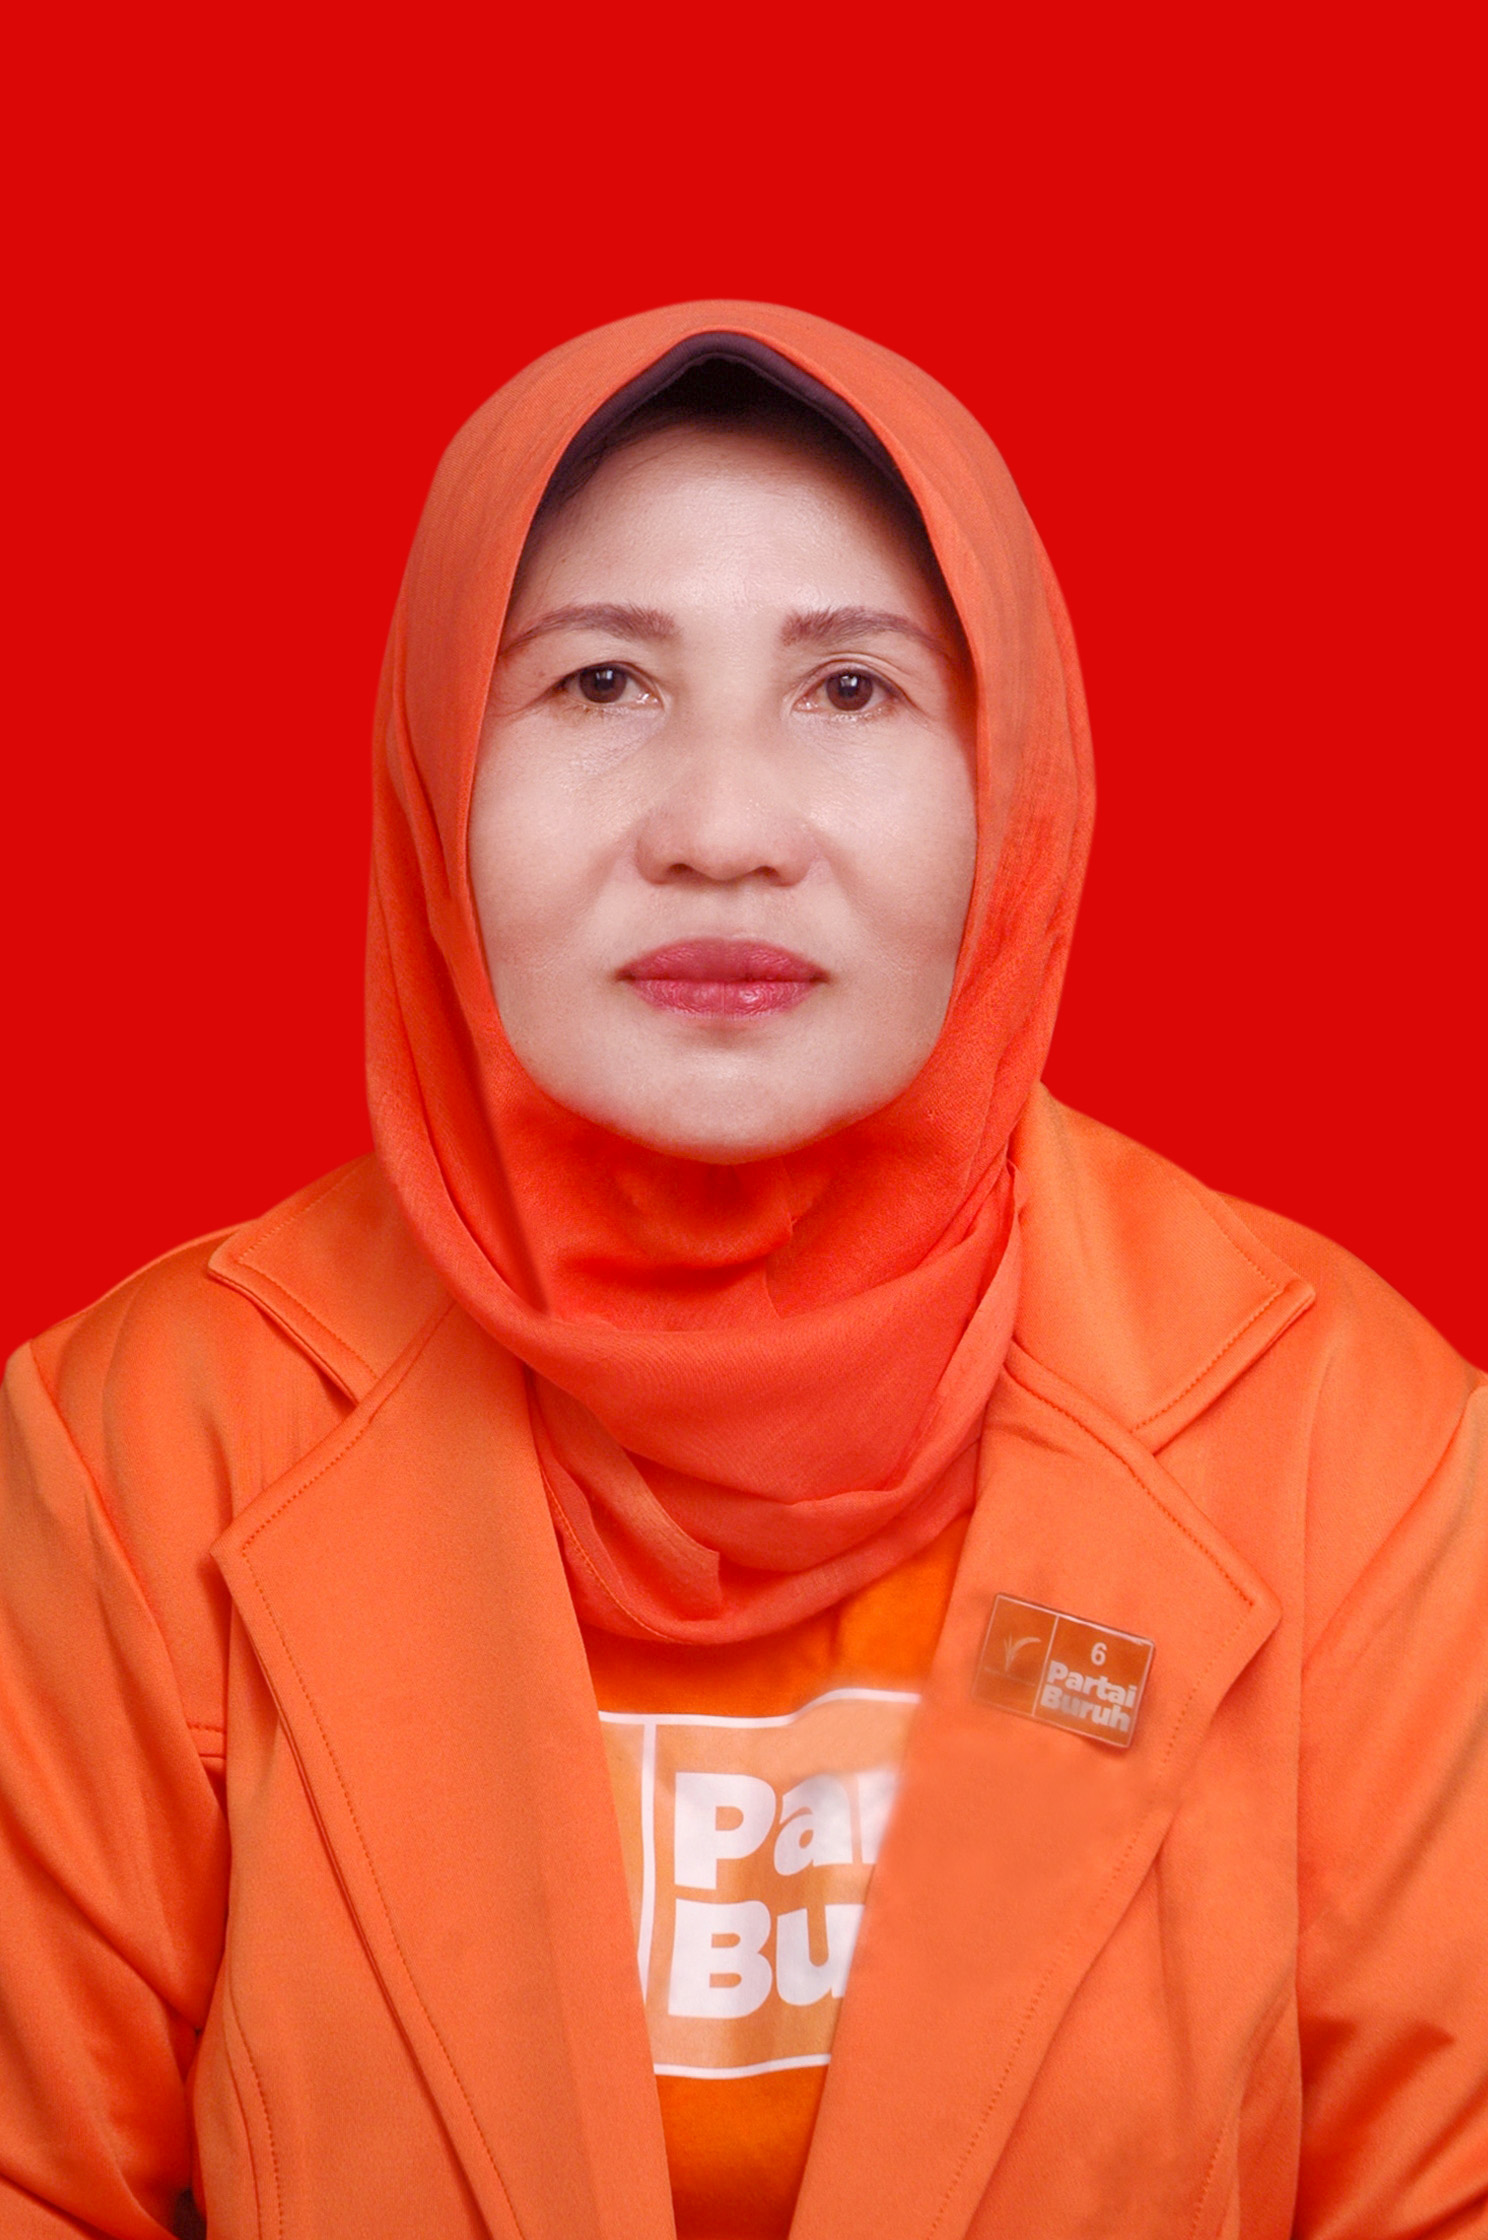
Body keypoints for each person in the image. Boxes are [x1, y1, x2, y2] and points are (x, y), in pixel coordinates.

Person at [1, 302, 1484, 2240]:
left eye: (851, 689)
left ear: (1013, 787)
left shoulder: (1348, 1441)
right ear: (438, 772)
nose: (720, 832)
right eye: (601, 682)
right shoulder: (137, 1444)